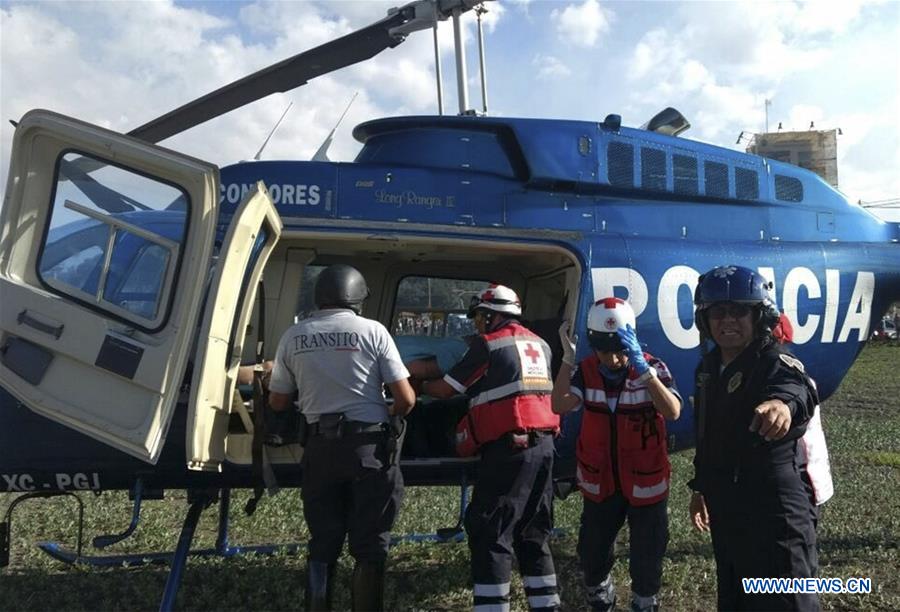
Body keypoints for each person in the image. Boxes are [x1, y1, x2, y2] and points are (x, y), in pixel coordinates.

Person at [267, 264, 415, 611]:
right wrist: (387, 417)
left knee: (323, 541)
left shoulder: (294, 336)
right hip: (368, 448)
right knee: (370, 544)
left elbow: (278, 401)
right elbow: (406, 399)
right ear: (358, 297)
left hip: (319, 448)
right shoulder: (373, 332)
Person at [418, 284, 561, 612]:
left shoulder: (489, 344)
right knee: (533, 532)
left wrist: (412, 384)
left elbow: (444, 390)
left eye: (479, 318)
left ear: (491, 316)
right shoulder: (539, 344)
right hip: (545, 448)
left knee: (491, 532)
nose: (476, 325)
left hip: (510, 449)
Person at [689, 265, 820, 611]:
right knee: (736, 598)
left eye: (739, 311)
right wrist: (701, 487)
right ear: (705, 319)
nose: (727, 320)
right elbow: (707, 433)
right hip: (727, 509)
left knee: (788, 601)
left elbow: (798, 390)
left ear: (758, 316)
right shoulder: (707, 369)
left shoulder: (775, 361)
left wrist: (782, 407)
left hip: (774, 513)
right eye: (718, 311)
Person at [551, 298, 681, 612]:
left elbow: (673, 410)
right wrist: (568, 360)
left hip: (645, 481)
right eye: (604, 350)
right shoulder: (585, 371)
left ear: (632, 342)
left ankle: (645, 601)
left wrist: (646, 373)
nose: (613, 359)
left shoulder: (653, 367)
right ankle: (601, 594)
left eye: (620, 349)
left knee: (647, 553)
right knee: (592, 550)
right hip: (601, 482)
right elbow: (559, 405)